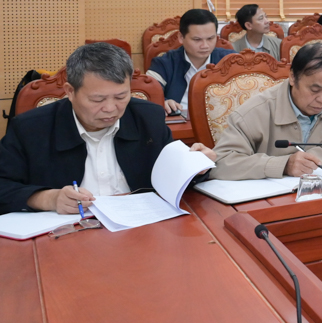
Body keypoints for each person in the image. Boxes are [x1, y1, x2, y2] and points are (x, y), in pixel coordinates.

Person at [0, 43, 207, 214]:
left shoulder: (148, 117)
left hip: (140, 226)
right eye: (97, 99)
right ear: (70, 92)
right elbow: (4, 185)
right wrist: (49, 199)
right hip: (66, 232)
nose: (110, 108)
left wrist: (196, 167)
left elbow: (171, 176)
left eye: (121, 96)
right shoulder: (31, 128)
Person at [210, 44, 322, 179]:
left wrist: (306, 160)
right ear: (293, 77)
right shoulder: (254, 111)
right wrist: (283, 165)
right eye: (315, 90)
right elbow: (221, 163)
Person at [148, 8, 235, 117]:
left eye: (210, 39)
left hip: (222, 120)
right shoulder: (164, 63)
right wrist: (162, 102)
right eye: (197, 40)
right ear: (181, 37)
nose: (205, 46)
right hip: (180, 122)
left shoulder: (231, 61)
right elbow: (146, 94)